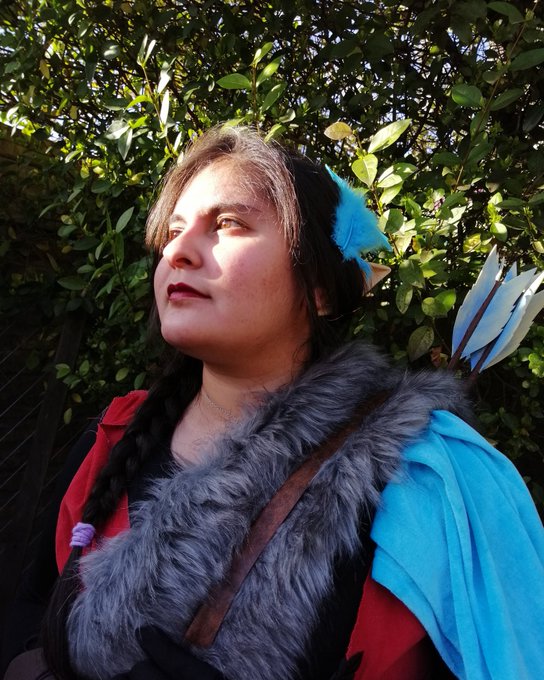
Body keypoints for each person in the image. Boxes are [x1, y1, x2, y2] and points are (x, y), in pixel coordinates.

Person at [4, 126, 544, 680]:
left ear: (321, 290)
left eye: (228, 224)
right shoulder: (115, 434)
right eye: (173, 231)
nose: (178, 252)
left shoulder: (427, 474)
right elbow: (29, 609)